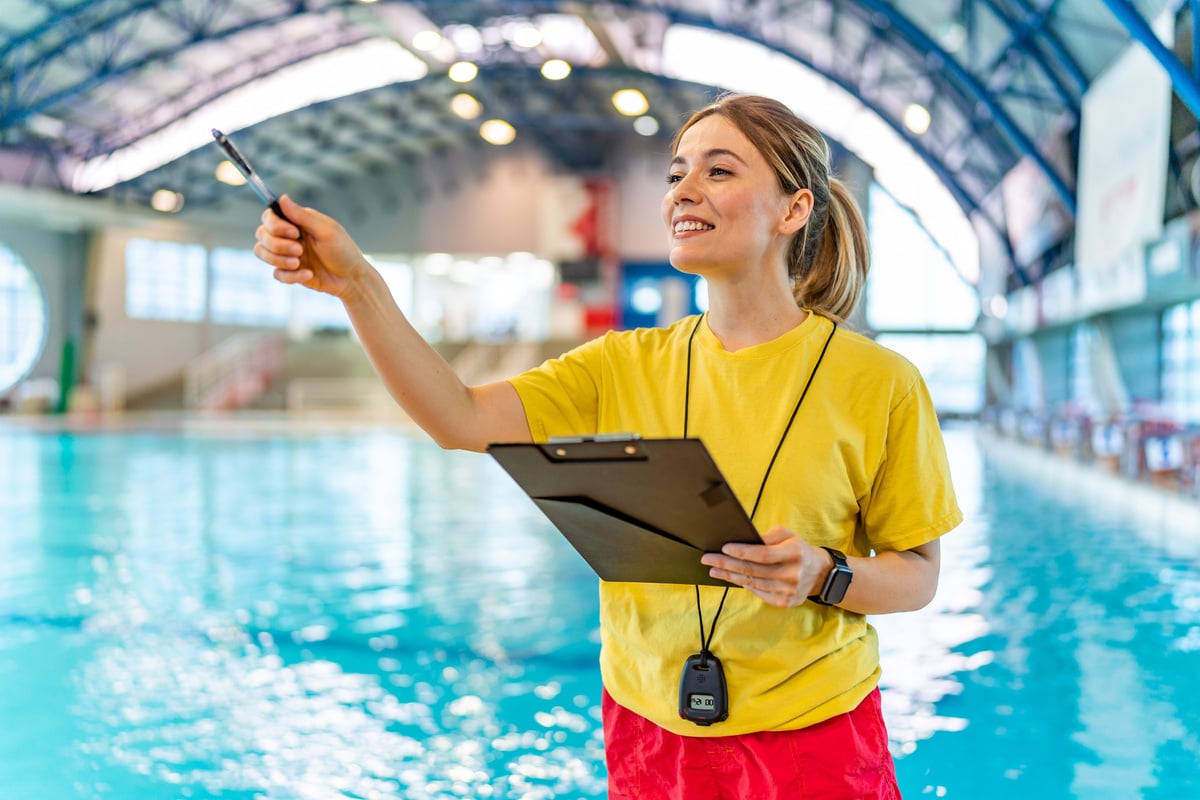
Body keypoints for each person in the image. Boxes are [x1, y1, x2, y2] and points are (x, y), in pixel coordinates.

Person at [254, 93, 962, 799]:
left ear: (793, 209)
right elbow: (458, 418)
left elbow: (918, 575)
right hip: (648, 727)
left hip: (811, 733)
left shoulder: (878, 381)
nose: (683, 190)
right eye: (676, 173)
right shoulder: (621, 363)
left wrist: (823, 572)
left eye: (718, 172)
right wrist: (358, 287)